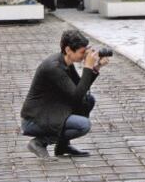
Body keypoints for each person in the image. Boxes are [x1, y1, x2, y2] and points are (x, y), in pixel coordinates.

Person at [21, 29, 109, 159]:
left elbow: (81, 88)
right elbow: (76, 96)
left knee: (88, 100)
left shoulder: (66, 62)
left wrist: (95, 68)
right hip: (35, 119)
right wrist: (88, 67)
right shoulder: (54, 67)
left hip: (52, 111)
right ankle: (39, 142)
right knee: (83, 125)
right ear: (68, 50)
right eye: (81, 52)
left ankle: (63, 146)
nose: (84, 55)